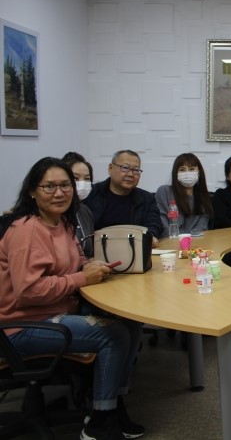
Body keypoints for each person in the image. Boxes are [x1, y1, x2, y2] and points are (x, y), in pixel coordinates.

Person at [0, 157, 144, 440]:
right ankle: (101, 420)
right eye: (49, 186)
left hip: (57, 311)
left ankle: (115, 404)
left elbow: (76, 259)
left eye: (65, 185)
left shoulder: (62, 222)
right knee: (114, 335)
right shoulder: (27, 230)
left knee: (131, 321)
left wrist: (89, 265)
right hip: (22, 326)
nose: (59, 193)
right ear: (32, 192)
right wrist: (81, 278)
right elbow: (28, 292)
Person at [84, 150, 162, 246]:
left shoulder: (147, 199)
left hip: (134, 248)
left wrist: (147, 238)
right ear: (110, 168)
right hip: (97, 250)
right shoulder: (91, 193)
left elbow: (154, 225)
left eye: (136, 170)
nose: (130, 174)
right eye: (125, 168)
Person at [155, 153, 213, 237]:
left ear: (199, 172)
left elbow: (201, 228)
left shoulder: (204, 197)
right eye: (182, 170)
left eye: (191, 169)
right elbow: (162, 225)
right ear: (176, 173)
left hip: (195, 242)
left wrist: (188, 241)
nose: (187, 173)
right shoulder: (164, 191)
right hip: (170, 241)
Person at [62, 151, 95, 257]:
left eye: (87, 179)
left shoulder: (85, 211)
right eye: (76, 178)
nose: (82, 183)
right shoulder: (55, 211)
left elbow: (89, 251)